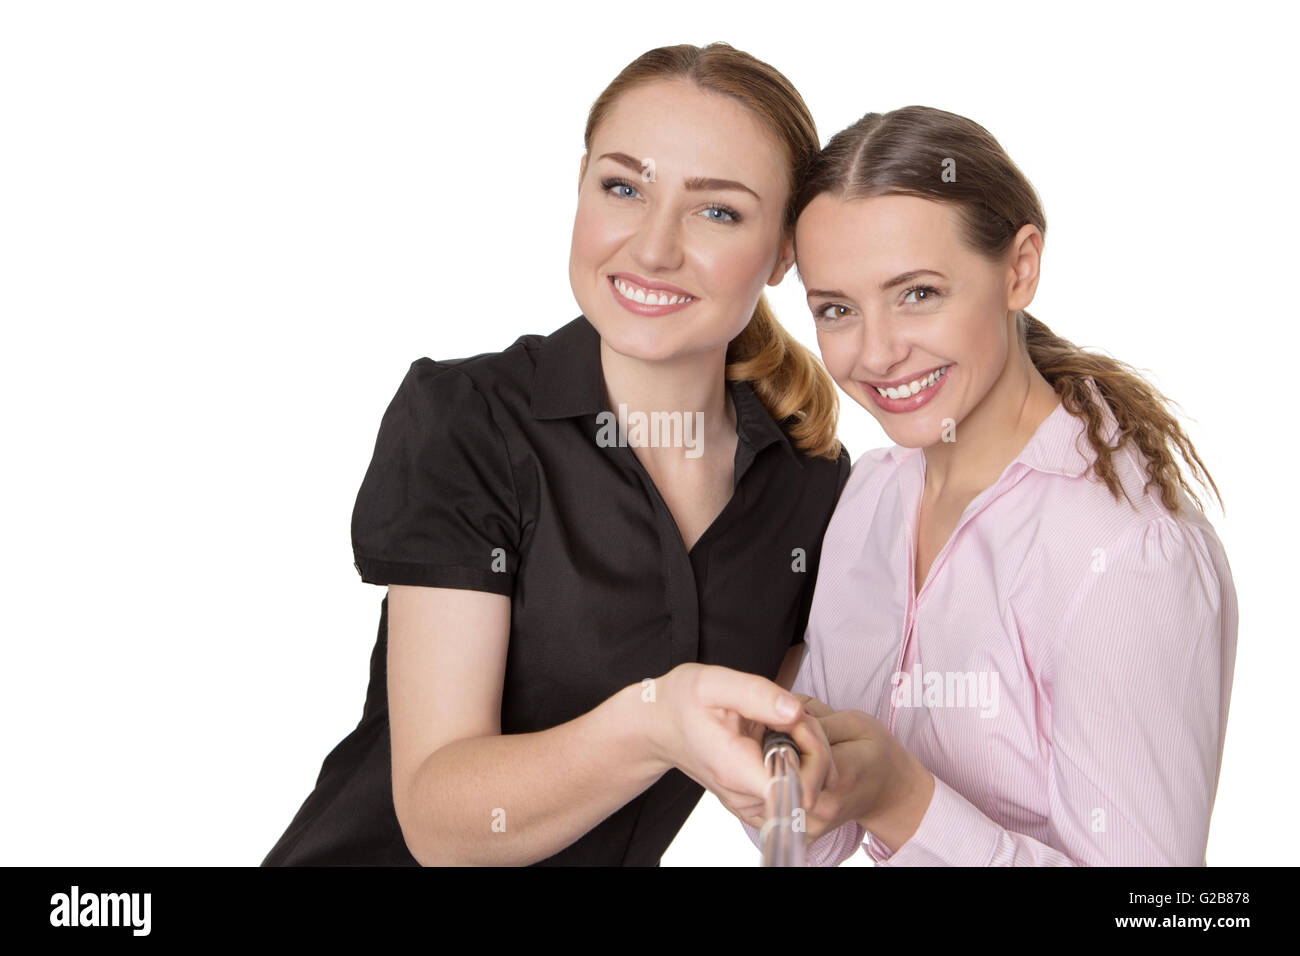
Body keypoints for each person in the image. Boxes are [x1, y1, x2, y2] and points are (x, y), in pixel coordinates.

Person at [260, 42, 848, 867]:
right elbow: (438, 817)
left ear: (784, 250)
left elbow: (783, 741)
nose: (651, 248)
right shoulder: (468, 420)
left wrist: (801, 771)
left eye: (717, 211)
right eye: (623, 188)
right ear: (581, 185)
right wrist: (654, 720)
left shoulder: (810, 482)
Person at [732, 105, 1238, 866]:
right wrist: (765, 755)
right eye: (836, 309)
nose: (875, 353)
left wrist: (903, 799)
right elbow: (817, 845)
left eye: (918, 293)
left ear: (1019, 268)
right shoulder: (873, 495)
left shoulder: (1128, 553)